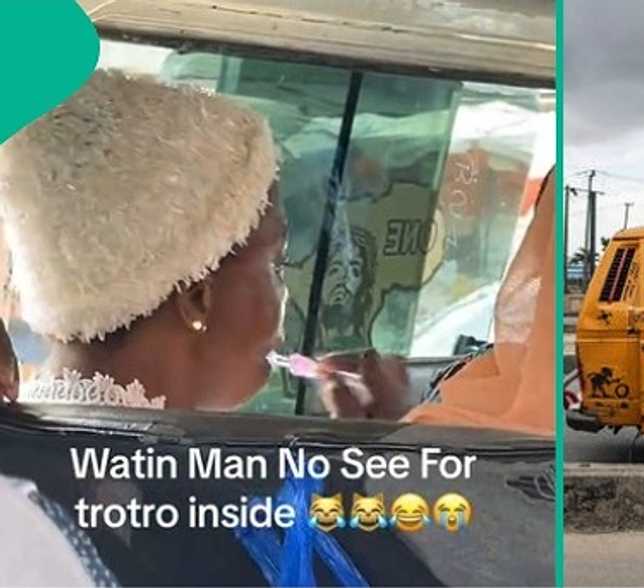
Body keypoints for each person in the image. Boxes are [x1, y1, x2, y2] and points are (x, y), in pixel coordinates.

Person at [0, 70, 385, 412]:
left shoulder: (27, 450)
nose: (286, 298)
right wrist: (385, 463)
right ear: (197, 298)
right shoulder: (193, 480)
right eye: (275, 265)